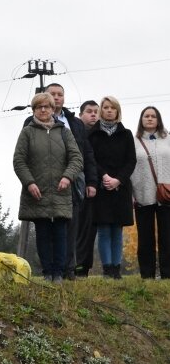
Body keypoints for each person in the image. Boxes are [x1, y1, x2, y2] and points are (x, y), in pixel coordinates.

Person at [13, 92, 83, 282]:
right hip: (37, 192)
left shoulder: (64, 132)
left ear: (53, 109)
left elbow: (77, 158)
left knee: (60, 232)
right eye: (38, 106)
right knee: (43, 233)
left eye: (47, 106)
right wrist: (29, 183)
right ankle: (47, 272)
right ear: (34, 110)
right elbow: (19, 161)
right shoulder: (27, 132)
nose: (43, 110)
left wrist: (68, 177)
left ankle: (59, 273)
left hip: (61, 191)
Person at [89, 96, 136, 279]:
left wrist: (118, 180)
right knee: (103, 229)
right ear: (101, 110)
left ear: (117, 111)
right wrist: (105, 176)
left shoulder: (126, 134)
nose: (109, 110)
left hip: (121, 188)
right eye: (106, 107)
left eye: (112, 108)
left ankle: (116, 269)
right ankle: (107, 269)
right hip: (101, 187)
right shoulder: (93, 134)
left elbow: (131, 160)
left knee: (117, 229)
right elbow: (91, 158)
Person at [131, 106, 170, 279]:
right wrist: (131, 194)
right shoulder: (133, 141)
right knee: (145, 237)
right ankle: (147, 275)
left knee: (167, 237)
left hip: (167, 195)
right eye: (146, 116)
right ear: (141, 119)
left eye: (153, 116)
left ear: (158, 119)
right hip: (142, 193)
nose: (149, 119)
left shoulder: (168, 139)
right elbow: (129, 167)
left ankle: (167, 274)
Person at [76, 100, 100, 277]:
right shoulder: (77, 132)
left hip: (96, 186)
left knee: (90, 228)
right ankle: (75, 264)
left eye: (95, 112)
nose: (93, 115)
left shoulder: (101, 134)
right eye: (89, 111)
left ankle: (84, 266)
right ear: (80, 114)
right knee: (76, 227)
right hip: (77, 183)